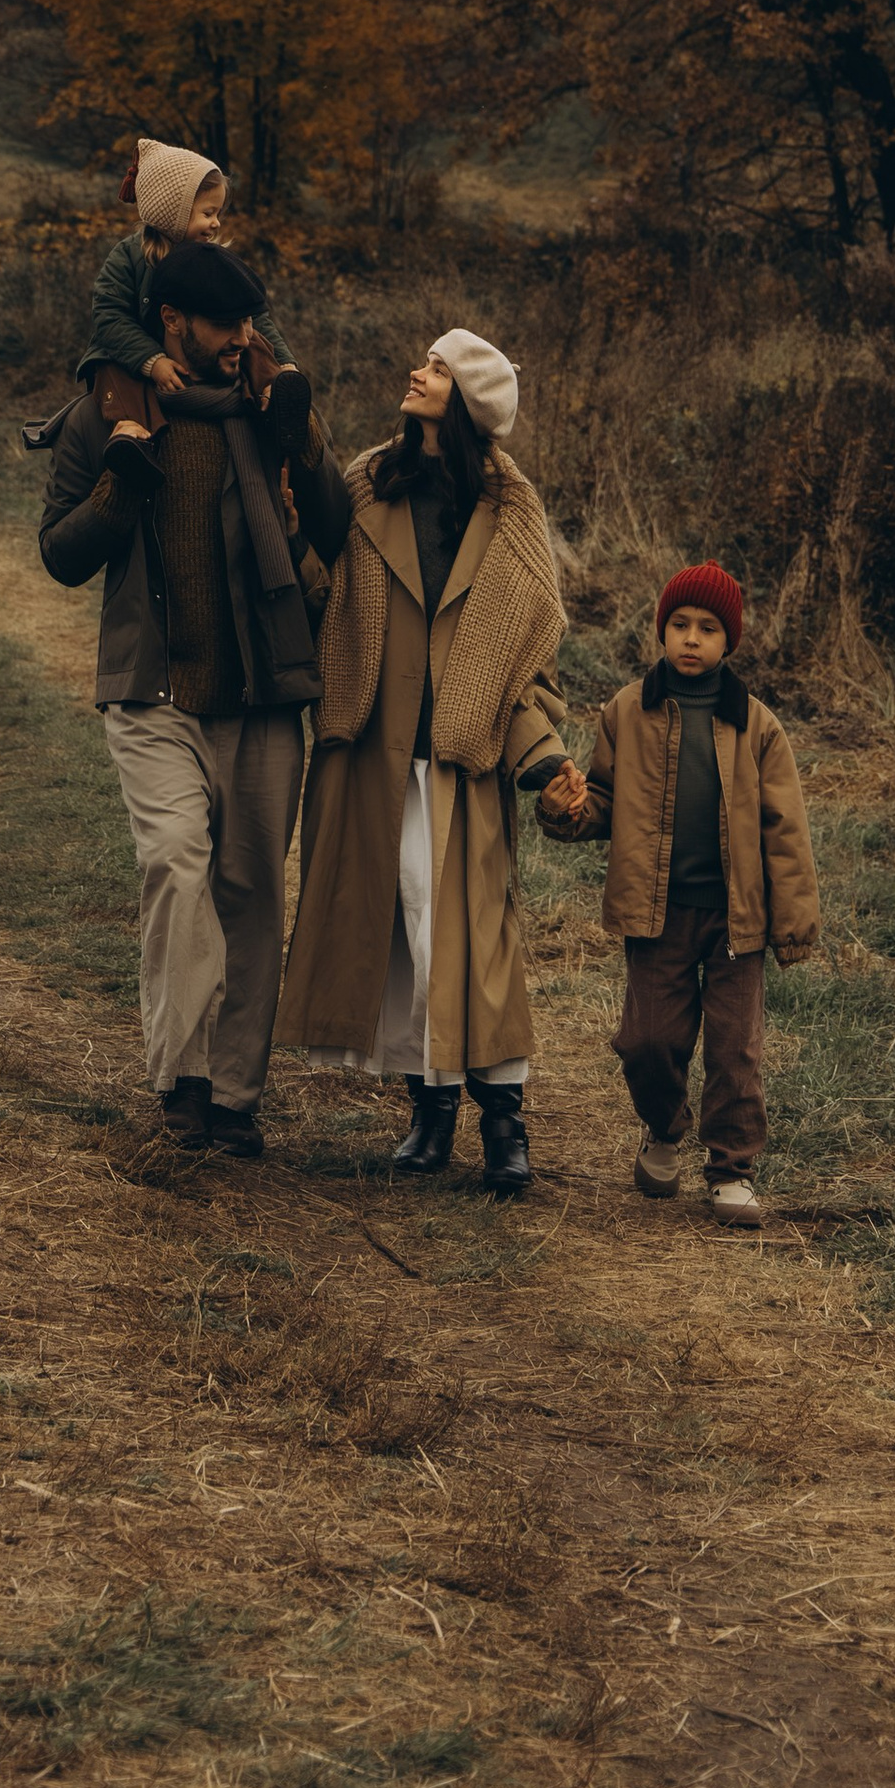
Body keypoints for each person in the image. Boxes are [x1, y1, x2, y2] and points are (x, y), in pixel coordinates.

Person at [37, 240, 348, 1155]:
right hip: (155, 693)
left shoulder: (267, 402)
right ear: (171, 321)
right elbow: (60, 553)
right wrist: (118, 495)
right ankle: (183, 1081)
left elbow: (336, 526)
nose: (242, 339)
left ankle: (236, 1098)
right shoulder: (109, 410)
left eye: (251, 323)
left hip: (262, 693)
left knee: (252, 890)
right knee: (177, 866)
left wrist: (304, 439)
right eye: (224, 325)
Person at [276, 331, 583, 1195]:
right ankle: (429, 1110)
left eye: (437, 368)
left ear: (470, 403)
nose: (415, 372)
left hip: (462, 770)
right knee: (401, 947)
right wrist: (297, 547)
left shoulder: (511, 522)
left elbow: (526, 673)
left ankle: (504, 1120)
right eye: (422, 361)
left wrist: (544, 761)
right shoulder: (366, 486)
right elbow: (320, 595)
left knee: (476, 946)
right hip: (371, 760)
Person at [541, 562, 819, 1228]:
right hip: (655, 911)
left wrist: (794, 924)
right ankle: (665, 1130)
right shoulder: (626, 712)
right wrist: (567, 810)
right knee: (647, 1041)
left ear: (731, 642)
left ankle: (730, 1170)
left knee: (734, 1050)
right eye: (680, 626)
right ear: (661, 632)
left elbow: (785, 832)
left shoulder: (758, 726)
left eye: (709, 629)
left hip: (736, 919)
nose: (692, 639)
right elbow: (602, 799)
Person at [79, 137, 293, 392]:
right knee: (111, 369)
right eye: (207, 213)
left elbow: (254, 312)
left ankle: (280, 389)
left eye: (218, 213)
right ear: (172, 213)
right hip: (142, 352)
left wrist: (283, 360)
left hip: (202, 352)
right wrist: (152, 361)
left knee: (251, 339)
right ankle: (126, 426)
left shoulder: (214, 258)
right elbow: (109, 315)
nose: (217, 223)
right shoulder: (129, 257)